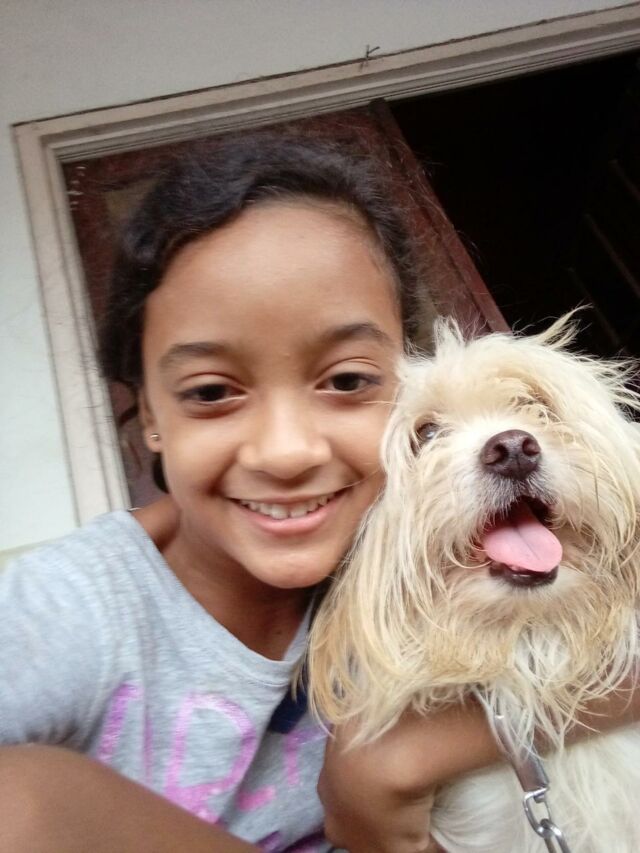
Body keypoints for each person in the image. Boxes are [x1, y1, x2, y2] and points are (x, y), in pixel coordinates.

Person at [0, 134, 637, 853]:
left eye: (347, 380)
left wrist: (393, 761)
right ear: (148, 412)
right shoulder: (70, 611)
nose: (287, 452)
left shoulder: (421, 552)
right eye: (211, 391)